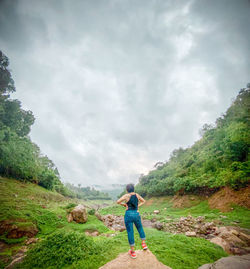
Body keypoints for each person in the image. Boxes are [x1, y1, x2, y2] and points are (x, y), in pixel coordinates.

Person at [116, 183, 147, 259]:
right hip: (136, 214)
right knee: (140, 228)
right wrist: (137, 206)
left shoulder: (126, 196)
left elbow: (118, 201)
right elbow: (143, 201)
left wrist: (124, 205)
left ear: (127, 190)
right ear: (133, 189)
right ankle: (144, 244)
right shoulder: (137, 195)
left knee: (130, 232)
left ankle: (133, 252)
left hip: (128, 214)